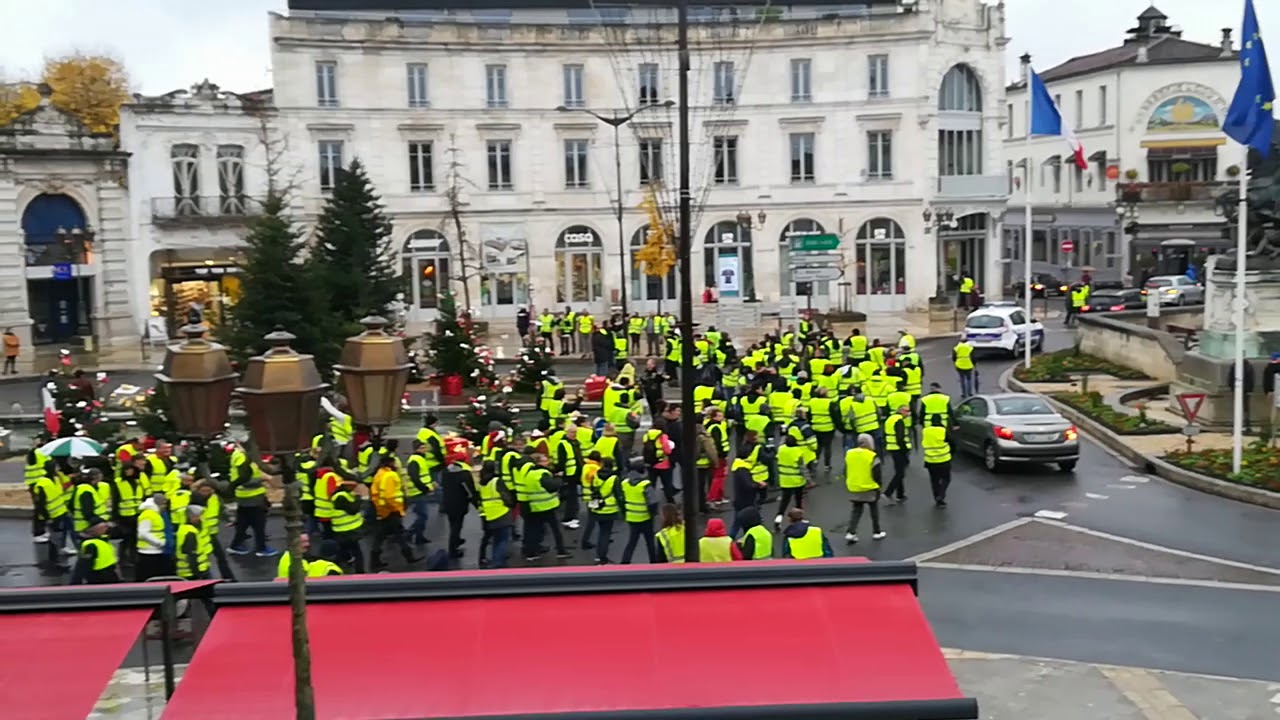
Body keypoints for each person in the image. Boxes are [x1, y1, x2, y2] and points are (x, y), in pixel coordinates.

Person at [370, 454, 419, 570]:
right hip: (391, 511)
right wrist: (397, 509)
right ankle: (409, 557)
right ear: (390, 464)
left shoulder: (379, 474)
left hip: (382, 510)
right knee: (398, 535)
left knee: (381, 536)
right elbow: (389, 496)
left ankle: (374, 560)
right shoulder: (390, 475)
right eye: (394, 463)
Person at [519, 453, 571, 562]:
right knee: (556, 529)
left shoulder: (529, 474)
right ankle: (561, 551)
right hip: (547, 506)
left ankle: (531, 553)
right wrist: (558, 478)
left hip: (534, 506)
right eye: (545, 460)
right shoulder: (542, 473)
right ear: (539, 463)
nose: (547, 462)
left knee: (534, 530)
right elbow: (551, 487)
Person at [227, 444, 276, 557]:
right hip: (252, 497)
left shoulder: (241, 455)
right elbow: (244, 480)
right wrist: (263, 479)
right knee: (259, 524)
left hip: (246, 497)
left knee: (243, 523)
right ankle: (261, 548)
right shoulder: (242, 457)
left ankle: (235, 545)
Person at [844, 434, 885, 543]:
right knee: (874, 510)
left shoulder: (849, 454)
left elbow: (846, 470)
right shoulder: (872, 456)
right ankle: (876, 532)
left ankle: (851, 532)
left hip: (854, 486)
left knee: (856, 510)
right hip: (869, 487)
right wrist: (879, 485)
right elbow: (877, 474)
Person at [475, 460, 515, 569]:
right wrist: (510, 504)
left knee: (495, 539)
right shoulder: (497, 481)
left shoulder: (482, 483)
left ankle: (494, 559)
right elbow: (506, 496)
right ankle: (498, 562)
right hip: (501, 511)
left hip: (489, 513)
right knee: (502, 539)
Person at [193, 479, 236, 580]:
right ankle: (201, 577)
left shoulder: (215, 498)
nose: (205, 493)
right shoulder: (194, 499)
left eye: (208, 491)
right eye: (203, 491)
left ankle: (228, 577)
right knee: (201, 558)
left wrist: (229, 519)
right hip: (199, 535)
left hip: (211, 533)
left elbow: (221, 510)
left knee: (221, 557)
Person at [619, 458, 658, 564]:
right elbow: (652, 502)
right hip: (645, 518)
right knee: (650, 542)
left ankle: (624, 562)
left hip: (631, 517)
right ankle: (654, 562)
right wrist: (653, 514)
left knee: (632, 542)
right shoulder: (645, 484)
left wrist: (625, 513)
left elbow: (621, 500)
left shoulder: (625, 483)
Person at [439, 449, 476, 559]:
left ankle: (456, 540)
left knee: (453, 524)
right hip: (460, 504)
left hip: (447, 502)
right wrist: (475, 502)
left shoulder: (445, 472)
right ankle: (453, 550)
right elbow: (470, 491)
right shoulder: (464, 474)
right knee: (457, 526)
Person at [584, 456, 620, 564]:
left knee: (601, 532)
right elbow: (618, 494)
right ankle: (602, 557)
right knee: (605, 533)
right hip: (609, 509)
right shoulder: (614, 478)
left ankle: (598, 556)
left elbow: (592, 488)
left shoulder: (595, 474)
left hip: (597, 507)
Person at [405, 440, 438, 546]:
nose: (425, 450)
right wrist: (425, 488)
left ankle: (419, 537)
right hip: (417, 492)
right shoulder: (415, 460)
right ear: (417, 449)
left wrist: (430, 484)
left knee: (422, 515)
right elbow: (414, 477)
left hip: (420, 491)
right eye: (422, 448)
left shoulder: (419, 459)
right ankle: (409, 534)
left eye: (425, 448)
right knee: (423, 515)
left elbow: (423, 475)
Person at [330, 477, 367, 573]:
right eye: (353, 486)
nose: (354, 487)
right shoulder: (341, 496)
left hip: (342, 530)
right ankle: (360, 572)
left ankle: (340, 569)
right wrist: (360, 498)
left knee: (342, 552)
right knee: (357, 552)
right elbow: (352, 510)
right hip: (347, 530)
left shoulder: (343, 495)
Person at [134, 494, 174, 581]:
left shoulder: (156, 514)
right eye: (163, 504)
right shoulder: (148, 514)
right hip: (148, 552)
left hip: (156, 551)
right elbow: (143, 533)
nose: (165, 506)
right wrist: (160, 543)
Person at [729, 452, 765, 538]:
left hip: (740, 500)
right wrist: (758, 486)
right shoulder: (743, 470)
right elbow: (748, 485)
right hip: (746, 502)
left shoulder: (738, 469)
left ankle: (731, 540)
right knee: (743, 523)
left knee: (737, 523)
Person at [921, 415, 953, 507]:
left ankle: (937, 499)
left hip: (930, 461)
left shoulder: (925, 431)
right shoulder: (942, 430)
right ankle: (941, 495)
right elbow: (951, 441)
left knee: (934, 481)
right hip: (943, 460)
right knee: (946, 479)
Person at [882, 403, 912, 503]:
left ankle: (900, 495)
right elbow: (900, 438)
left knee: (899, 472)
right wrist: (905, 450)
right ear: (901, 411)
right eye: (907, 411)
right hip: (899, 449)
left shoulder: (890, 419)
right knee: (900, 473)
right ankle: (887, 493)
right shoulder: (899, 421)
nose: (908, 413)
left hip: (892, 448)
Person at [176, 504, 211, 580]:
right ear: (190, 517)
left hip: (189, 571)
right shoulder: (190, 532)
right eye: (196, 516)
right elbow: (191, 555)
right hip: (193, 573)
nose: (199, 518)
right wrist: (197, 574)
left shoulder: (184, 528)